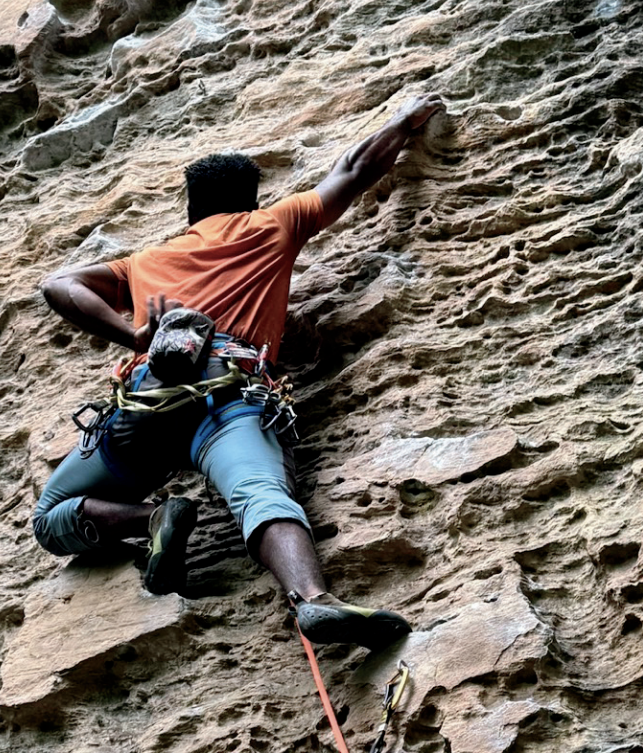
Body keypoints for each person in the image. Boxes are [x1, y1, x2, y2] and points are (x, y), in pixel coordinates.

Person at [33, 94, 445, 649]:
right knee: (262, 494)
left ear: (190, 210)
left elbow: (58, 285)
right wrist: (403, 122)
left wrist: (131, 333)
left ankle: (151, 519)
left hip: (145, 402)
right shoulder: (270, 226)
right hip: (230, 392)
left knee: (50, 516)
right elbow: (354, 168)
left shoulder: (144, 262)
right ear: (249, 201)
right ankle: (313, 600)